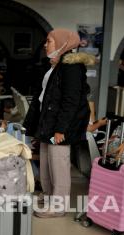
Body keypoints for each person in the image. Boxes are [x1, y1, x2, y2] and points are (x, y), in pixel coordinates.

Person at [33, 28, 94, 218]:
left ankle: (58, 206)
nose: (45, 44)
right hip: (48, 123)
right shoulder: (58, 65)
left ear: (61, 43)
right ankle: (49, 196)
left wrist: (61, 129)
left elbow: (71, 101)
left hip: (59, 126)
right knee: (46, 163)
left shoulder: (71, 67)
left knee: (58, 165)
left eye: (49, 41)